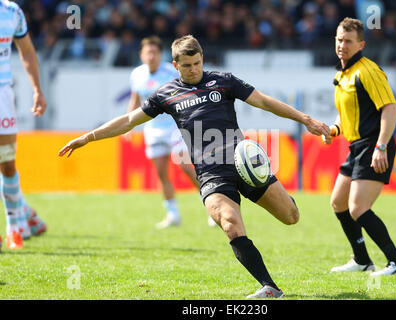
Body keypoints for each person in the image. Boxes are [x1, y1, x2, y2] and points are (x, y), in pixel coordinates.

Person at [59, 35, 331, 298]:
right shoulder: (166, 94)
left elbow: (263, 101)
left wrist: (305, 119)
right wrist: (88, 137)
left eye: (197, 63)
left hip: (241, 162)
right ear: (175, 66)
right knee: (229, 222)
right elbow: (129, 120)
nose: (193, 70)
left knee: (291, 216)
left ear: (202, 59)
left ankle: (279, 195)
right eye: (186, 66)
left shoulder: (223, 81)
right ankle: (269, 286)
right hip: (210, 174)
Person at [323, 18, 396, 276]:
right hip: (357, 146)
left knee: (358, 208)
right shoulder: (341, 74)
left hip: (374, 144)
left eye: (348, 41)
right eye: (339, 40)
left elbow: (391, 108)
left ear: (361, 44)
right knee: (338, 203)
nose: (342, 45)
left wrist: (381, 146)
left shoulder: (368, 70)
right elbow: (345, 115)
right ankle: (362, 260)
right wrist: (334, 130)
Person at [126, 36, 214, 229]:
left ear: (160, 54)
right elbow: (135, 100)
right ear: (141, 55)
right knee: (161, 173)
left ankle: (212, 207)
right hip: (153, 129)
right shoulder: (137, 74)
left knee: (186, 167)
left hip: (176, 127)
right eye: (147, 52)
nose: (151, 56)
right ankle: (172, 214)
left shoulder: (170, 71)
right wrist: (129, 124)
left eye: (154, 53)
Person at [0, 0, 47, 251]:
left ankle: (15, 228)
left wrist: (38, 89)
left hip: (2, 94)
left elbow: (27, 50)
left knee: (7, 162)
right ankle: (25, 218)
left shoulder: (11, 11)